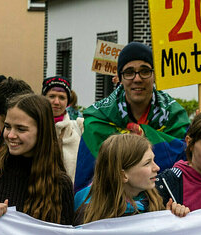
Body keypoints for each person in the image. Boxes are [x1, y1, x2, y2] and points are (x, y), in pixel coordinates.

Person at [75, 42, 189, 191]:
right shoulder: (98, 122)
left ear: (155, 76)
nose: (137, 79)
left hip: (164, 208)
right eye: (129, 72)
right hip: (112, 208)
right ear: (120, 78)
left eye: (145, 71)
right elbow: (84, 183)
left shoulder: (175, 117)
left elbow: (187, 173)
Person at [0, 94, 74, 225]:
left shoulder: (60, 184)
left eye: (21, 129)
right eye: (7, 126)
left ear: (42, 131)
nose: (11, 135)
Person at [75, 134, 190, 225]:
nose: (157, 168)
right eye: (147, 163)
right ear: (123, 175)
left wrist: (170, 217)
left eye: (153, 160)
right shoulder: (85, 207)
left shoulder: (155, 200)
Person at [42, 76, 83, 183]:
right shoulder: (33, 130)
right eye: (51, 96)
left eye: (62, 97)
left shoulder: (78, 128)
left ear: (68, 101)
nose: (56, 102)